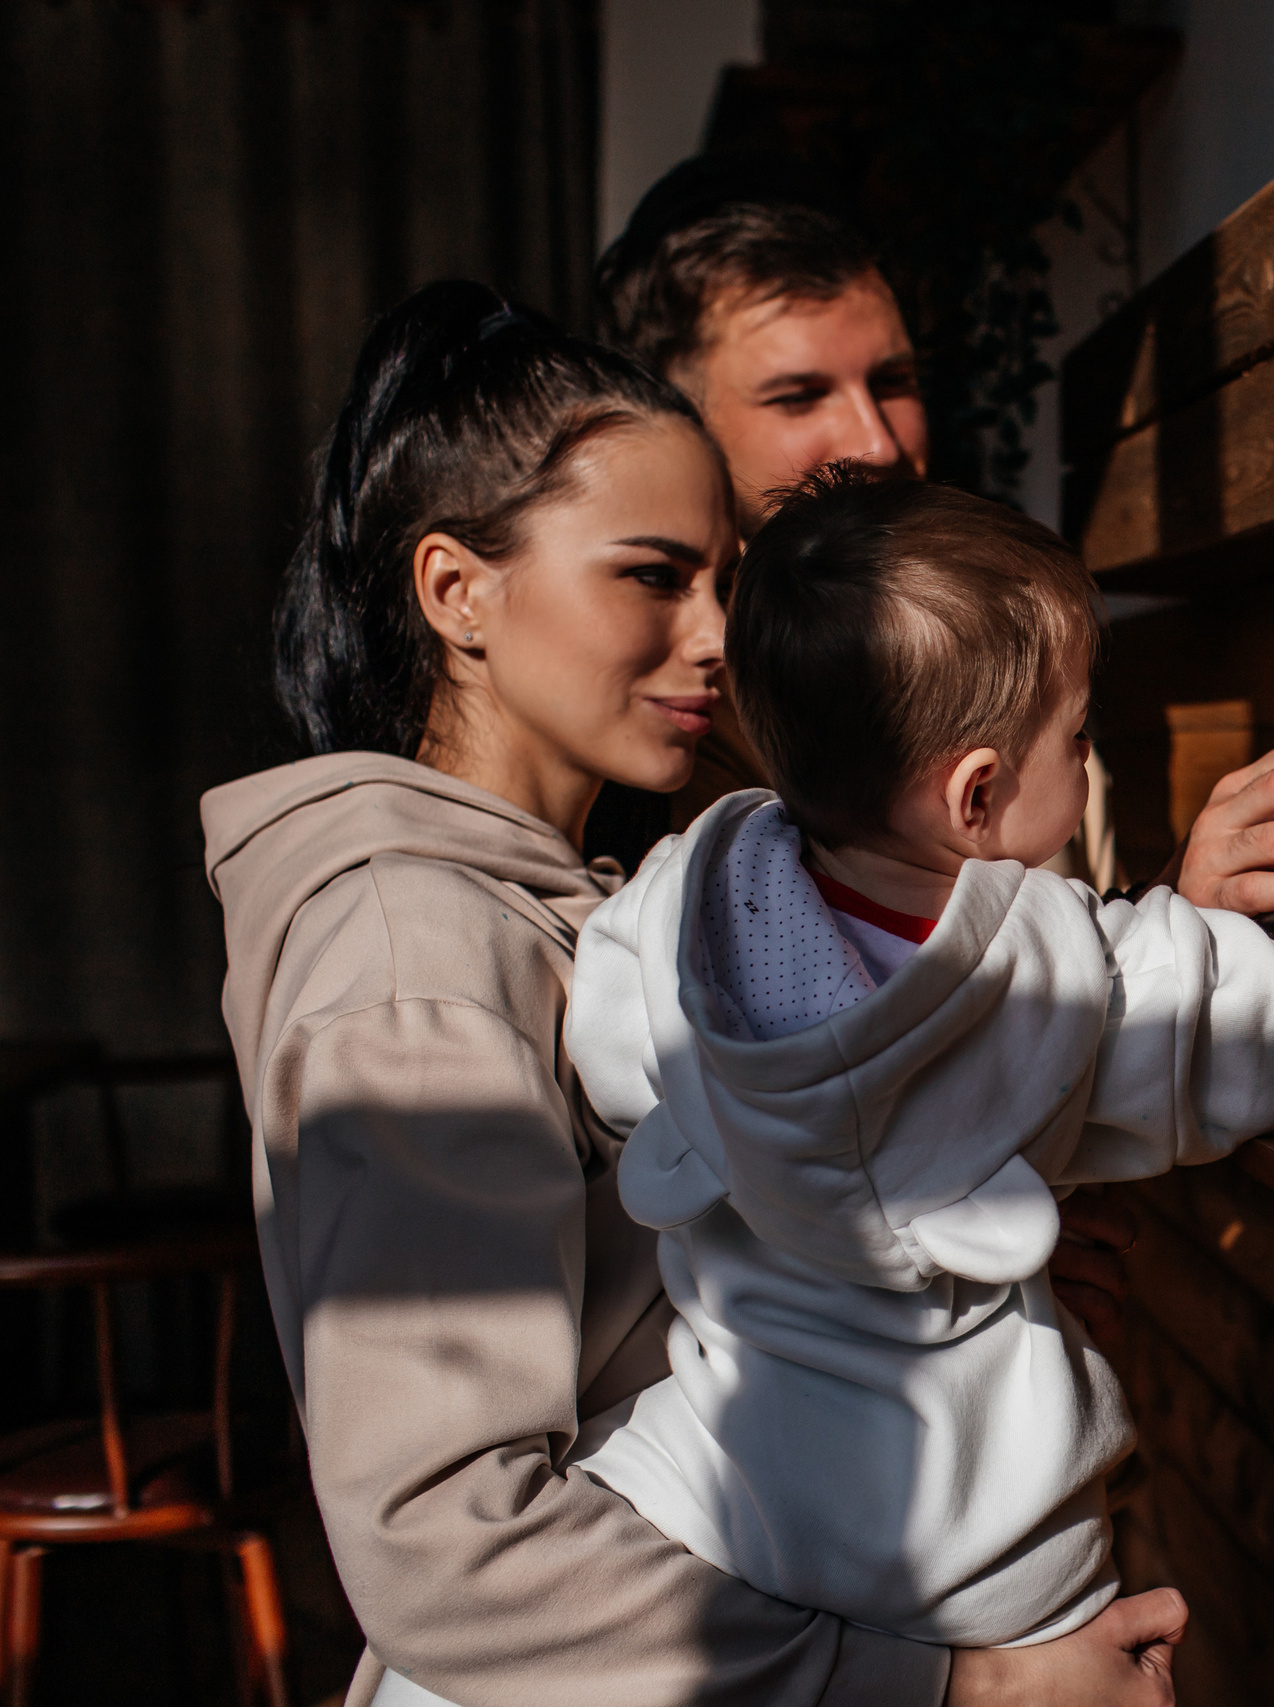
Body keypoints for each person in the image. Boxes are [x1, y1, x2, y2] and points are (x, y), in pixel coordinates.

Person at [203, 281, 1183, 1707]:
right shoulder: (407, 957)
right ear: (455, 590)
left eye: (724, 579)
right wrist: (967, 1689)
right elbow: (447, 1541)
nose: (717, 633)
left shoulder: (598, 893)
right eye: (654, 576)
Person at [561, 466, 1274, 1650]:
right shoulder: (1059, 988)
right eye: (1076, 733)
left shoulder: (686, 915)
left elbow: (613, 1062)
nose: (1086, 757)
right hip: (988, 1566)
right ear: (976, 795)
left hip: (736, 1511)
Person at [593, 152, 1274, 916]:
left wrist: (1181, 902)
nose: (877, 441)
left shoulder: (1006, 632)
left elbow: (1053, 961)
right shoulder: (661, 720)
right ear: (684, 432)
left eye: (895, 382)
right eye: (800, 396)